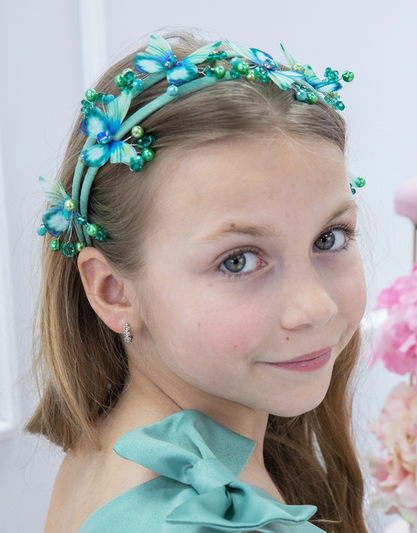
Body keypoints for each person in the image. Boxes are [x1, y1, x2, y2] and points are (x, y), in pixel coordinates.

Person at [25, 29, 368, 533]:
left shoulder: (121, 443)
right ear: (112, 291)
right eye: (238, 261)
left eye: (329, 238)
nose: (314, 306)